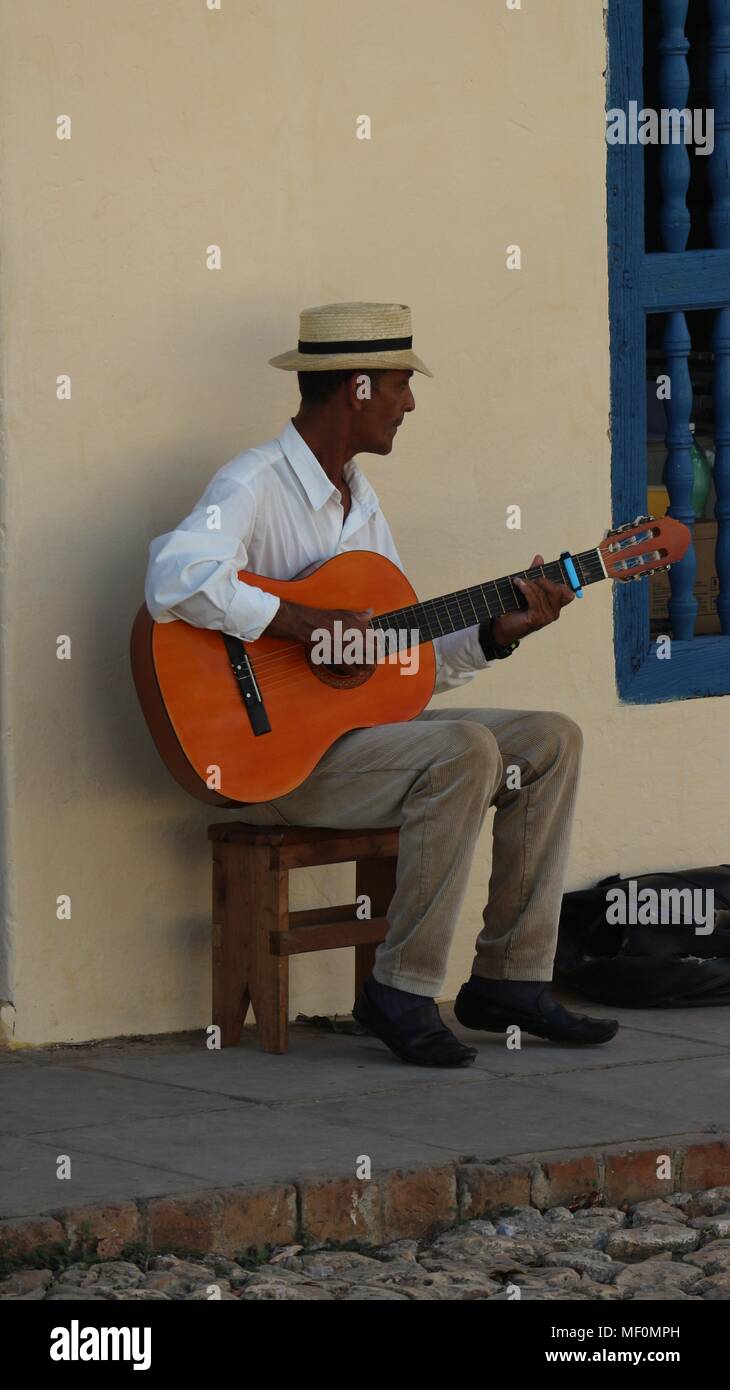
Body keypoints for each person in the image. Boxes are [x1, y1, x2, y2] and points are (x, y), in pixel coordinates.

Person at [146, 301, 619, 1067]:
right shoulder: (254, 482)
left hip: (353, 744)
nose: (410, 404)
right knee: (463, 750)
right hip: (268, 762)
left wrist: (500, 631)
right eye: (400, 386)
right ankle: (400, 989)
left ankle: (509, 979)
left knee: (551, 740)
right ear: (357, 388)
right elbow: (173, 578)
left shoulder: (361, 505)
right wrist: (296, 623)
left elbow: (398, 668)